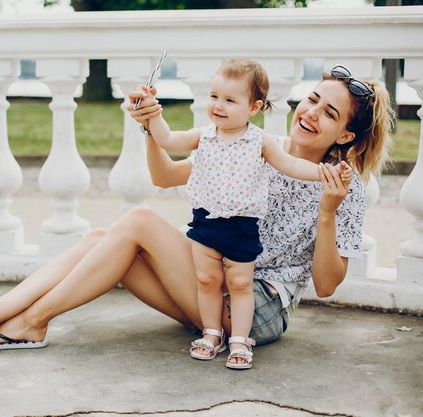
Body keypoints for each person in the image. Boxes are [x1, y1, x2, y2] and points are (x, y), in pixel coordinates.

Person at [0, 65, 394, 364]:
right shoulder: (254, 144)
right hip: (207, 289)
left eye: (330, 113)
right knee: (101, 235)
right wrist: (148, 128)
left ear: (345, 136)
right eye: (313, 99)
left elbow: (327, 285)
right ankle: (0, 319)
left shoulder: (346, 187)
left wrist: (327, 213)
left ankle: (3, 320)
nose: (311, 113)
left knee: (136, 222)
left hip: (255, 310)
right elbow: (166, 176)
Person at [142, 59, 351, 368]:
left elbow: (291, 165)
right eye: (214, 96)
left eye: (230, 100)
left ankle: (240, 340)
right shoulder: (203, 136)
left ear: (253, 107)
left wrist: (323, 173)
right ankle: (211, 333)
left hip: (241, 227)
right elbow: (167, 140)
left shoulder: (260, 142)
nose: (219, 106)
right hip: (205, 223)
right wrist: (152, 114)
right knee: (207, 280)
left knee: (240, 284)